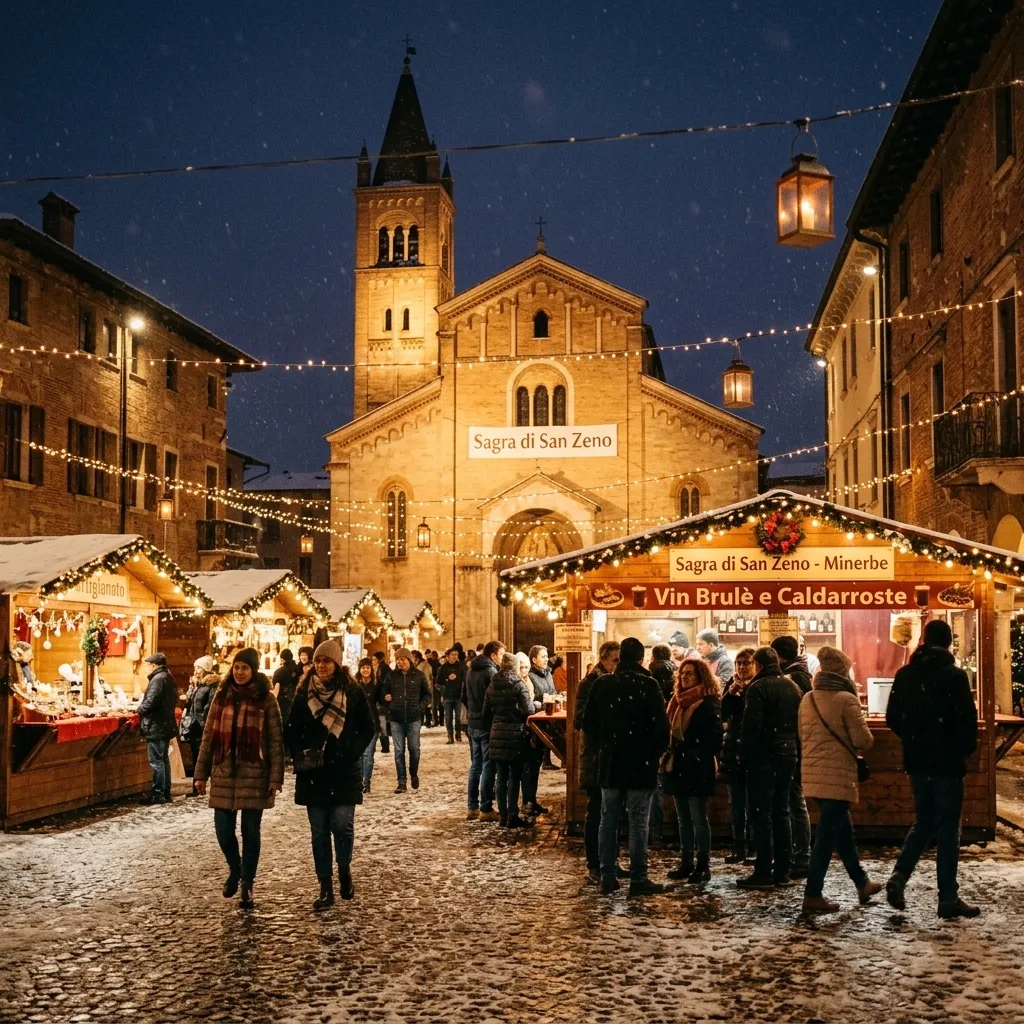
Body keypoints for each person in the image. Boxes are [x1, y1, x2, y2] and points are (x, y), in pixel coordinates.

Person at [885, 619, 981, 919]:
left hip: (917, 762)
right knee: (948, 829)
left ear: (924, 640)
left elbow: (892, 717)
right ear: (949, 643)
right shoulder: (954, 676)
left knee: (924, 822)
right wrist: (962, 749)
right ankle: (948, 898)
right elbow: (967, 720)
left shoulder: (905, 674)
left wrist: (914, 740)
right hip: (948, 763)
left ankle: (899, 876)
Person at [285, 640, 375, 909]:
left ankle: (344, 870)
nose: (321, 665)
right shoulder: (304, 691)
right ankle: (325, 886)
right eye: (318, 661)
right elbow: (291, 728)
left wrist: (351, 751)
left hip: (344, 770)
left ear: (336, 663)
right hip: (314, 773)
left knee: (342, 825)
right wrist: (300, 753)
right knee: (319, 832)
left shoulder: (352, 691)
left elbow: (368, 727)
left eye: (326, 661)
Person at [193, 648, 284, 909]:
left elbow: (275, 741)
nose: (240, 672)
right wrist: (200, 774)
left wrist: (275, 778)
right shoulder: (222, 696)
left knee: (250, 832)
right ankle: (236, 868)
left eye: (245, 668)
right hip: (223, 772)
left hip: (255, 773)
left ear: (254, 670)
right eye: (236, 667)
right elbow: (208, 737)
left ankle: (247, 884)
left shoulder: (266, 699)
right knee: (223, 831)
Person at [585, 636, 671, 898]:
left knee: (608, 821)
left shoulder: (603, 684)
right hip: (640, 765)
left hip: (611, 764)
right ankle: (638, 879)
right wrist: (652, 754)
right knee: (638, 823)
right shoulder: (649, 685)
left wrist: (606, 746)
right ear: (642, 659)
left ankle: (607, 877)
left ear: (620, 658)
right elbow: (662, 729)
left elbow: (588, 725)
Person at [798, 646, 882, 914]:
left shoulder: (807, 699)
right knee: (826, 836)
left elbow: (802, 736)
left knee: (842, 832)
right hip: (836, 775)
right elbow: (863, 741)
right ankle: (812, 894)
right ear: (843, 672)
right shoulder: (846, 699)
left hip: (813, 774)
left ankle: (862, 883)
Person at [737, 646, 802, 889]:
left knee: (760, 814)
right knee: (781, 812)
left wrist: (744, 755)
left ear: (758, 665)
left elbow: (751, 727)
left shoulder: (758, 687)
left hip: (764, 758)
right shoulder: (791, 686)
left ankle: (763, 870)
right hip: (788, 756)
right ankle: (782, 869)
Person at [664, 658, 723, 884]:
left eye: (689, 673)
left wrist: (696, 753)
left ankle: (703, 865)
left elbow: (714, 738)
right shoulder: (677, 702)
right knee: (683, 817)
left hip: (697, 766)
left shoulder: (707, 703)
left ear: (700, 676)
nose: (684, 677)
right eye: (683, 673)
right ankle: (686, 861)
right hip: (679, 765)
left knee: (698, 816)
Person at [576, 641, 621, 880]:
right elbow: (580, 719)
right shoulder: (589, 683)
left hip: (611, 756)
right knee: (596, 811)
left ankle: (610, 861)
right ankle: (594, 863)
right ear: (603, 659)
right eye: (615, 660)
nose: (618, 665)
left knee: (613, 811)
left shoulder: (616, 681)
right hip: (595, 757)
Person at [771, 635, 812, 880]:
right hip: (795, 744)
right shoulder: (799, 673)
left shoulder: (793, 676)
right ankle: (794, 855)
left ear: (778, 655)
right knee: (791, 802)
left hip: (792, 745)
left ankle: (801, 856)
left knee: (793, 802)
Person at [483, 652, 537, 828]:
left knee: (501, 777)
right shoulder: (518, 684)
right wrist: (535, 706)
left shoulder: (492, 684)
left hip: (497, 734)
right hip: (515, 735)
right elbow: (528, 709)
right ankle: (512, 815)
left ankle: (503, 816)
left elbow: (485, 712)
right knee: (514, 776)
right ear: (514, 666)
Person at [719, 647, 756, 863]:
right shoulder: (731, 685)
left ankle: (753, 846)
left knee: (753, 803)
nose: (742, 667)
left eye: (746, 663)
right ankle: (738, 846)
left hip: (752, 752)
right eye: (739, 663)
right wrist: (729, 695)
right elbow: (723, 714)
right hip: (733, 751)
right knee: (736, 804)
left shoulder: (758, 686)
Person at [463, 640, 504, 821]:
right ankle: (486, 808)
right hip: (486, 724)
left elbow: (464, 696)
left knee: (476, 765)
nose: (502, 658)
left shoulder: (470, 670)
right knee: (488, 766)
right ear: (493, 655)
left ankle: (472, 807)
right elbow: (494, 700)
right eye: (501, 654)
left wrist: (473, 712)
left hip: (473, 723)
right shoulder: (491, 672)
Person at [381, 648, 429, 793]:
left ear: (409, 660)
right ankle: (401, 781)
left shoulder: (419, 675)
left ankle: (413, 773)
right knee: (398, 751)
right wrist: (387, 700)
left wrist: (420, 708)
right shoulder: (391, 676)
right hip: (396, 718)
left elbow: (427, 695)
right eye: (398, 659)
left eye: (402, 659)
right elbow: (383, 693)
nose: (400, 662)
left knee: (414, 749)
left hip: (414, 718)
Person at [137, 652, 179, 805]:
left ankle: (158, 794)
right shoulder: (167, 676)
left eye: (147, 665)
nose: (146, 668)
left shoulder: (158, 679)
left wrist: (139, 710)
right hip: (164, 724)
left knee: (157, 761)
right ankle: (165, 792)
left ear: (154, 666)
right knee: (163, 759)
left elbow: (151, 702)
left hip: (156, 724)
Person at [180, 655, 220, 796]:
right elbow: (190, 703)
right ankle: (195, 788)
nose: (195, 670)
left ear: (206, 669)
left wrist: (204, 718)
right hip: (193, 725)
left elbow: (211, 705)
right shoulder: (196, 684)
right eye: (195, 668)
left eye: (199, 668)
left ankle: (213, 785)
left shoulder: (212, 684)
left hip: (204, 724)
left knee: (207, 755)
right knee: (196, 756)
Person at [355, 658, 380, 793]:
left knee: (368, 754)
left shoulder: (376, 684)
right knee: (359, 754)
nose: (365, 670)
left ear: (371, 669)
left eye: (368, 667)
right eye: (363, 667)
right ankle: (359, 781)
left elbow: (381, 701)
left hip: (372, 724)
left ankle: (366, 782)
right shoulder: (354, 684)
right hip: (357, 725)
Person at [438, 648, 466, 743]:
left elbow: (465, 678)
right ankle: (450, 735)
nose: (455, 656)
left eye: (456, 655)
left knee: (458, 717)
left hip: (458, 696)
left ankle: (458, 733)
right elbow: (438, 682)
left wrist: (457, 678)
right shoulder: (443, 668)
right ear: (448, 656)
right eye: (453, 654)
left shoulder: (461, 666)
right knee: (448, 718)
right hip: (447, 696)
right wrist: (447, 679)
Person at [272, 648, 302, 729]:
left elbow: (276, 689)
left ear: (282, 659)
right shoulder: (298, 668)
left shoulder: (279, 672)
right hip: (296, 701)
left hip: (283, 702)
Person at [372, 651, 392, 752]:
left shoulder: (383, 668)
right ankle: (384, 746)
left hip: (381, 700)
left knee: (381, 723)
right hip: (381, 699)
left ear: (379, 659)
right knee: (381, 723)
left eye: (374, 659)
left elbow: (382, 685)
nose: (373, 661)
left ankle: (385, 746)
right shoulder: (382, 667)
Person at [414, 650, 433, 725]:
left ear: (417, 658)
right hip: (427, 687)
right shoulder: (427, 665)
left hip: (422, 688)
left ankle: (423, 721)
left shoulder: (420, 667)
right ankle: (427, 721)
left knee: (423, 705)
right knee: (426, 704)